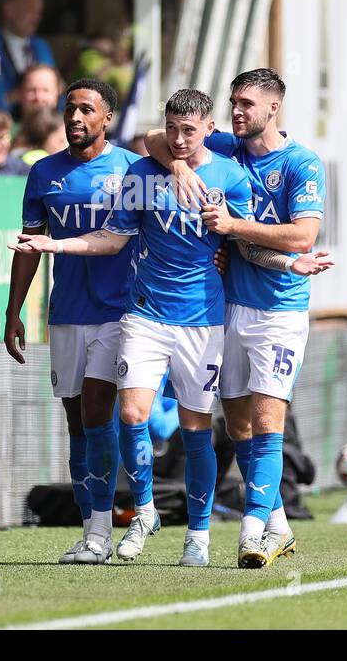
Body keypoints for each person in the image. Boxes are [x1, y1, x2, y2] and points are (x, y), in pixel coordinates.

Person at [11, 89, 253, 567]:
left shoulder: (226, 175)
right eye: (172, 130)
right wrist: (51, 253)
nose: (179, 140)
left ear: (208, 129)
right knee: (117, 417)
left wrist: (275, 255)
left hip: (190, 317)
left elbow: (246, 240)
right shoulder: (134, 174)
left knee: (192, 427)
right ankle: (131, 516)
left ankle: (199, 536)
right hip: (127, 314)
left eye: (189, 131)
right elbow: (112, 236)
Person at [142, 67, 335, 567]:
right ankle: (278, 525)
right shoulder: (226, 148)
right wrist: (181, 168)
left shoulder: (302, 164)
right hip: (227, 306)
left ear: (274, 108)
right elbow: (150, 138)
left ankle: (252, 533)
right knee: (240, 427)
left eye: (246, 104)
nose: (236, 112)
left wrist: (234, 227)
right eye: (233, 103)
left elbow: (302, 236)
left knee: (270, 421)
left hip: (279, 310)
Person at [4, 78, 140, 564]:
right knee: (77, 424)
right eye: (70, 109)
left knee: (99, 410)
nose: (75, 118)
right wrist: (13, 310)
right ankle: (92, 529)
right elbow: (29, 246)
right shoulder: (43, 173)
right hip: (67, 313)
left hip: (120, 312)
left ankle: (116, 522)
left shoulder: (131, 170)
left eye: (87, 110)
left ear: (107, 119)